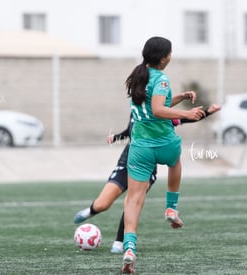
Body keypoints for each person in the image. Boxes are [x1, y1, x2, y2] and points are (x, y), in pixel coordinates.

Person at [73, 103, 220, 254]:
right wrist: (116, 137)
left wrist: (208, 111)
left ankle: (119, 242)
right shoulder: (137, 109)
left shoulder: (161, 111)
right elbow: (130, 131)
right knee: (103, 204)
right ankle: (91, 211)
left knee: (132, 201)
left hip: (146, 166)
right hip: (127, 162)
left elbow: (186, 117)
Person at [121, 36, 207, 274]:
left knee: (133, 200)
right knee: (175, 163)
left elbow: (151, 104)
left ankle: (129, 248)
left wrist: (180, 96)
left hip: (140, 148)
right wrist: (188, 115)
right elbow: (158, 109)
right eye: (170, 53)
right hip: (165, 143)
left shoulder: (139, 75)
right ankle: (171, 208)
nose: (171, 56)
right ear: (163, 58)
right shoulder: (162, 79)